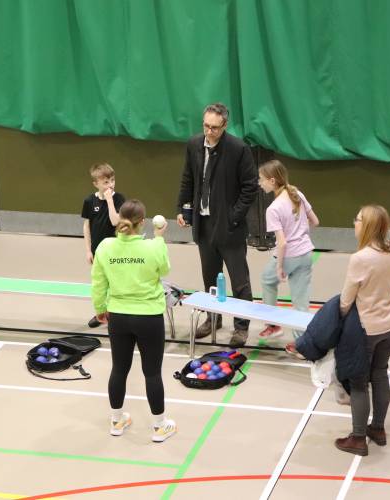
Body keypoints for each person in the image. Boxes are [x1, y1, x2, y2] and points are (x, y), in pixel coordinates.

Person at [91, 199, 177, 442]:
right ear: (143, 223)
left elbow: (98, 282)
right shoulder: (153, 247)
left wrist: (100, 308)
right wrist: (160, 238)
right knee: (152, 373)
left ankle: (117, 421)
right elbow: (164, 270)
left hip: (118, 316)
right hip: (148, 317)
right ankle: (160, 426)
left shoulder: (105, 247)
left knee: (119, 369)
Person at [176, 102, 258, 348]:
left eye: (214, 128)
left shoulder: (238, 149)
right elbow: (188, 178)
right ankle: (213, 319)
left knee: (239, 280)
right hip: (204, 224)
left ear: (224, 125)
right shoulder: (194, 144)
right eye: (206, 126)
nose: (209, 132)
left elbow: (250, 186)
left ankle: (241, 327)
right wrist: (183, 208)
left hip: (230, 227)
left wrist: (233, 216)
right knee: (209, 276)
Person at [335, 205, 390, 456]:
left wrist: (338, 322)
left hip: (367, 329)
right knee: (380, 374)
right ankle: (379, 428)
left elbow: (346, 299)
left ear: (369, 226)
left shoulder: (360, 258)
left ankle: (358, 437)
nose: (355, 222)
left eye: (358, 219)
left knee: (359, 383)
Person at [257, 160, 319, 340]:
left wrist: (279, 267)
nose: (260, 184)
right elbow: (315, 221)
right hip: (306, 253)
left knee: (268, 280)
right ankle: (302, 343)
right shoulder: (297, 194)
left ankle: (272, 325)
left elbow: (282, 243)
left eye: (262, 180)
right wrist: (300, 231)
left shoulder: (273, 209)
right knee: (301, 302)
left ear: (272, 181)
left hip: (288, 256)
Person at [81, 163, 125, 329]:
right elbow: (87, 226)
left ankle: (116, 315)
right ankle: (101, 313)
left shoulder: (119, 198)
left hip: (116, 250)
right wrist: (88, 250)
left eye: (112, 180)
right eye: (106, 182)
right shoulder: (89, 201)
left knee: (116, 284)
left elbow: (116, 221)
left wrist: (109, 200)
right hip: (98, 252)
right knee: (99, 285)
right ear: (96, 184)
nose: (110, 185)